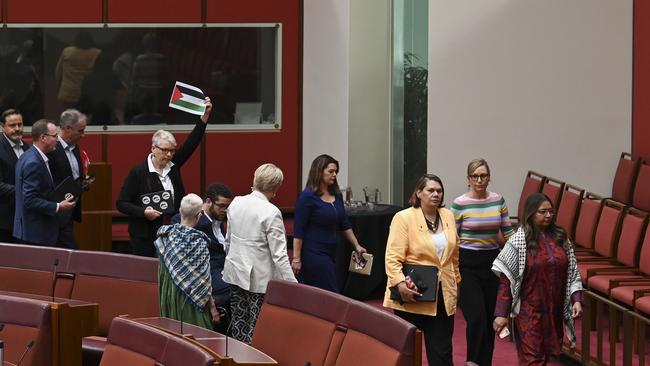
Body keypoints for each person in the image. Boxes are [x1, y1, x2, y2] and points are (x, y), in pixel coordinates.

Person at [492, 193, 583, 366]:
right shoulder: (519, 240)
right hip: (529, 311)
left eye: (551, 211)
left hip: (553, 310)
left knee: (546, 355)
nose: (548, 215)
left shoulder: (560, 237)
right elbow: (506, 280)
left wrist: (576, 299)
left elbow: (572, 271)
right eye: (542, 212)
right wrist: (501, 314)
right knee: (533, 359)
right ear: (531, 213)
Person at [116, 98, 212, 257]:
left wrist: (204, 117)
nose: (169, 155)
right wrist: (144, 212)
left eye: (172, 151)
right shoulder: (139, 172)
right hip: (145, 236)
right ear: (153, 148)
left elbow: (191, 143)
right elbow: (121, 203)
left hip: (172, 232)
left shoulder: (173, 166)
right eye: (165, 150)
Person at [383, 174, 460, 366]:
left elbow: (455, 253)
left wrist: (457, 280)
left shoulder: (448, 215)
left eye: (439, 191)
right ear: (419, 193)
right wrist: (400, 283)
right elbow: (392, 257)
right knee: (408, 354)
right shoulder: (403, 218)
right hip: (412, 293)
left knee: (442, 353)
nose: (436, 194)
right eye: (430, 190)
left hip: (443, 293)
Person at [222, 163, 297, 343]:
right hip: (259, 280)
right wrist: (293, 285)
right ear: (276, 188)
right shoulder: (271, 212)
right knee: (257, 329)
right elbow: (279, 255)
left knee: (239, 323)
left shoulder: (236, 203)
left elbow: (228, 241)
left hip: (235, 272)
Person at [451, 158, 514, 366]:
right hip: (467, 264)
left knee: (489, 319)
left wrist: (519, 254)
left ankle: (484, 362)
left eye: (483, 175)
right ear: (468, 179)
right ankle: (472, 361)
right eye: (475, 176)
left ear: (489, 177)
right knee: (475, 316)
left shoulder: (498, 200)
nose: (480, 180)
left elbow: (507, 232)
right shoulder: (460, 204)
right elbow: (453, 238)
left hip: (492, 263)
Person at [291, 154, 367, 292]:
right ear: (319, 172)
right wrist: (296, 259)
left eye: (336, 172)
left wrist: (356, 245)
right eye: (330, 171)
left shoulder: (336, 194)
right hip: (314, 252)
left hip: (332, 252)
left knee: (324, 292)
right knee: (329, 290)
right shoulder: (307, 196)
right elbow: (299, 230)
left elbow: (344, 223)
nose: (334, 175)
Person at [171, 183, 233, 333]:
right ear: (208, 202)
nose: (225, 210)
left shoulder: (221, 220)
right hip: (205, 271)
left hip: (223, 268)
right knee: (235, 290)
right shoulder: (193, 219)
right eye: (221, 206)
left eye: (227, 207)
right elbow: (178, 222)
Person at [155, 193, 221, 330]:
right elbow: (204, 281)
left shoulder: (165, 237)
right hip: (191, 302)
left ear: (180, 211)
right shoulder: (199, 243)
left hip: (170, 297)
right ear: (199, 215)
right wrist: (213, 308)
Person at [13, 119, 75, 245]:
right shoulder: (33, 163)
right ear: (43, 138)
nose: (58, 139)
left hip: (31, 230)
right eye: (55, 136)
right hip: (35, 232)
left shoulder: (27, 155)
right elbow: (29, 200)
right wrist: (58, 206)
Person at [47, 109, 90, 249]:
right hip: (55, 214)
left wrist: (83, 182)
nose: (83, 135)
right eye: (80, 131)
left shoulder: (75, 147)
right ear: (67, 129)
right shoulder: (51, 149)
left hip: (70, 211)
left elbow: (73, 175)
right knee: (71, 253)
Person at [0, 109, 29, 243]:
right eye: (12, 125)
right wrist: (25, 191)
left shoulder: (28, 148)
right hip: (5, 221)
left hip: (26, 218)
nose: (17, 129)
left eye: (20, 124)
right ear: (2, 127)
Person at [55, 30, 102, 107]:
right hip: (87, 93)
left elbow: (58, 71)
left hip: (68, 92)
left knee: (69, 116)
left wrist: (59, 86)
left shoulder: (67, 51)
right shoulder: (97, 53)